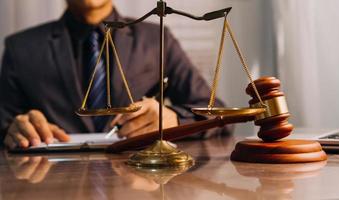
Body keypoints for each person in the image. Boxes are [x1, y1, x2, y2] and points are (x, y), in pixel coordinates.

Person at [0, 0, 227, 149]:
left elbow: (218, 113)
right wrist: (13, 130)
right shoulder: (21, 48)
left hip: (138, 182)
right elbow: (4, 125)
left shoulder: (156, 39)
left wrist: (175, 120)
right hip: (52, 182)